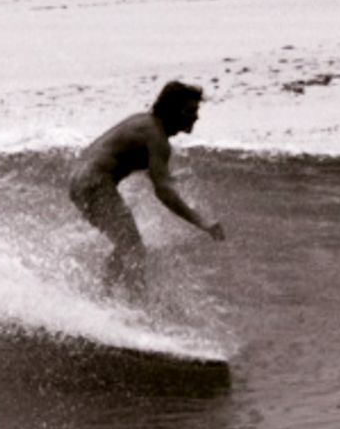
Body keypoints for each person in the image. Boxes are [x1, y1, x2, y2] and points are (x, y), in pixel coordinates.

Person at [69, 81, 225, 298]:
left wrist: (166, 179)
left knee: (126, 245)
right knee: (135, 249)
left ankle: (104, 297)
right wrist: (202, 222)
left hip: (81, 179)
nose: (196, 117)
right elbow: (164, 192)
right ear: (173, 109)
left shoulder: (145, 123)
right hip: (94, 182)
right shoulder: (157, 137)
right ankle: (135, 309)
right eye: (190, 111)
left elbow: (130, 160)